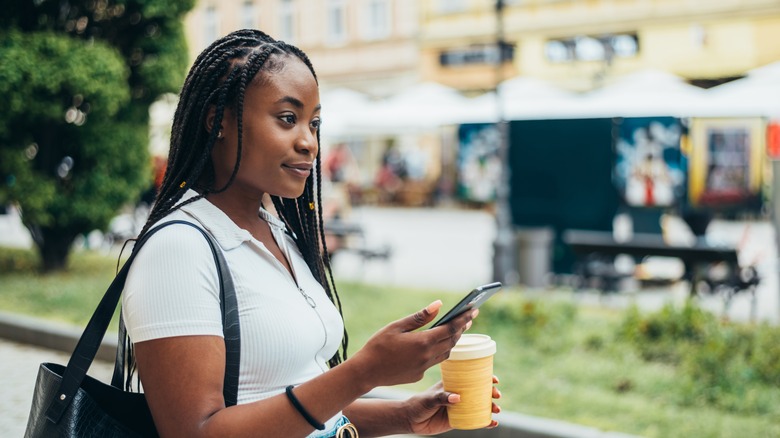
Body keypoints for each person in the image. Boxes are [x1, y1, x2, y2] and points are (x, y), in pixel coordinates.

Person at [121, 29, 500, 438]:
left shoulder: (277, 230)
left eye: (314, 123)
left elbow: (296, 397)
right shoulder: (179, 247)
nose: (310, 143)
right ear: (219, 121)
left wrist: (405, 415)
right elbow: (195, 432)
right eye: (288, 119)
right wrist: (364, 372)